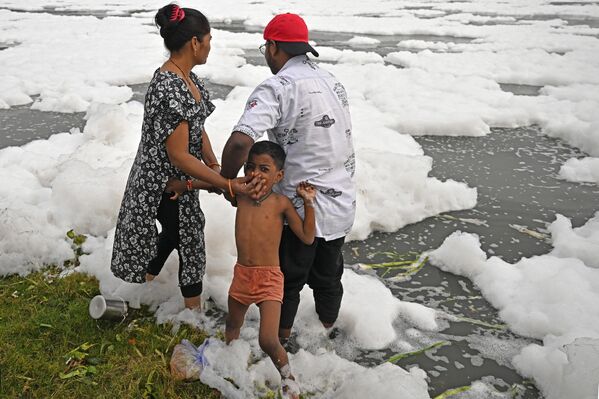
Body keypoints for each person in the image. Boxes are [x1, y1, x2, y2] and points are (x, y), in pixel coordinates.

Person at [111, 4, 259, 310]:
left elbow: (197, 128)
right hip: (162, 183)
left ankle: (149, 281)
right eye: (208, 40)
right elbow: (178, 155)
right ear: (195, 43)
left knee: (178, 231)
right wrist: (225, 184)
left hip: (183, 177)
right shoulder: (170, 86)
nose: (210, 47)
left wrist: (215, 166)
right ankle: (193, 315)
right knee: (190, 239)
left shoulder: (191, 81)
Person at [220, 13, 356, 344]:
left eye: (267, 46)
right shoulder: (332, 81)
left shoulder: (278, 87)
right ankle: (325, 334)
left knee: (288, 281)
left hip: (296, 206)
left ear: (274, 47)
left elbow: (241, 140)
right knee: (328, 276)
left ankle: (280, 342)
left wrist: (226, 181)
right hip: (340, 204)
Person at [224, 141, 315, 399]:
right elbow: (215, 185)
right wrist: (185, 185)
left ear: (279, 176)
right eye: (250, 167)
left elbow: (308, 237)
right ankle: (231, 363)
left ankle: (289, 379)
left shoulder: (281, 203)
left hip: (269, 279)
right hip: (242, 274)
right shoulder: (239, 194)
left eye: (264, 169)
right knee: (232, 323)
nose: (255, 174)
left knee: (267, 339)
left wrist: (308, 203)